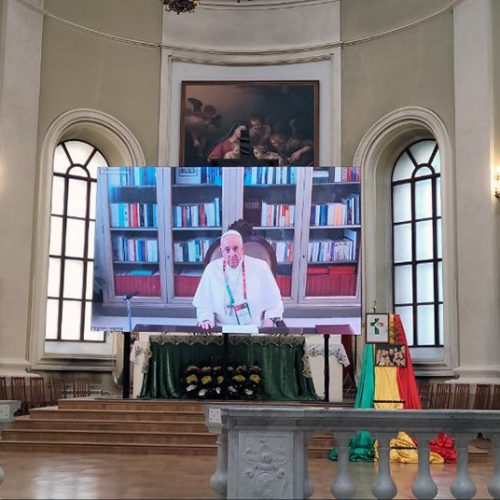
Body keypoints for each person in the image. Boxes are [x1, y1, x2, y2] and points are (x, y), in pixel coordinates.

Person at [192, 229, 284, 330]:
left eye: (235, 249)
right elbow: (204, 305)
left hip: (255, 328)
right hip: (221, 329)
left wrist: (269, 319)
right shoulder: (212, 269)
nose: (232, 254)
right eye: (227, 250)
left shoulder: (261, 267)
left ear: (243, 249)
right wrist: (206, 319)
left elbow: (274, 303)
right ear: (222, 252)